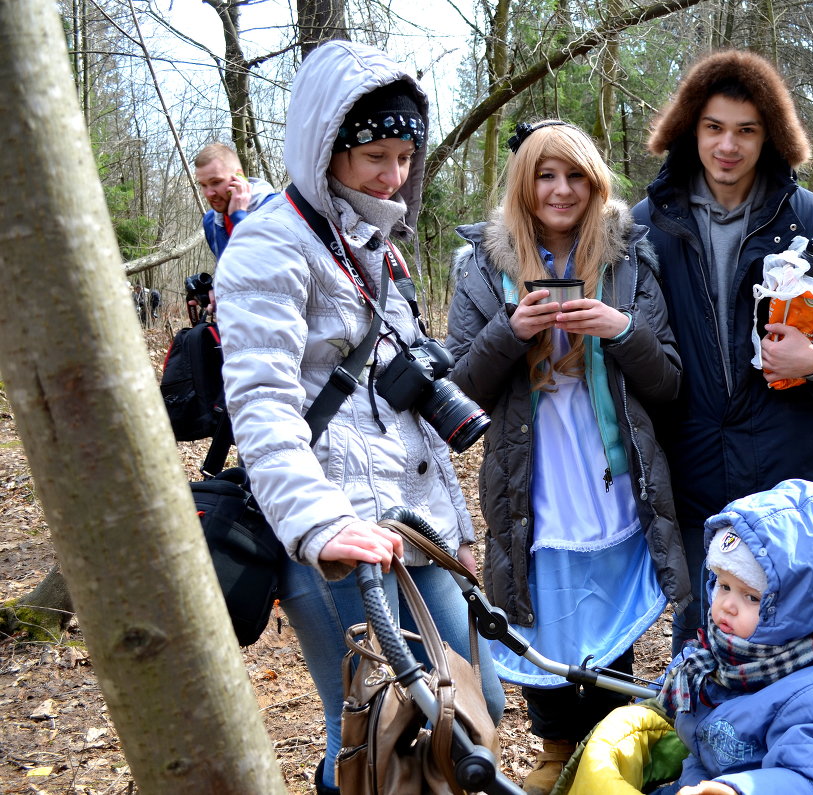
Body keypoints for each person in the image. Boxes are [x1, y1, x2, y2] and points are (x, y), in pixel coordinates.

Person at [213, 41, 504, 795]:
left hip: (408, 526)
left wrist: (454, 535)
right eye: (376, 154)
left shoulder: (374, 244)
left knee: (476, 709)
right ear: (326, 147)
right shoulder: (271, 245)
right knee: (386, 737)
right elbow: (263, 405)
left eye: (406, 155)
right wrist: (316, 523)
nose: (395, 176)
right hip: (339, 533)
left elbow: (401, 405)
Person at [445, 120, 691, 795]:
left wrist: (623, 330)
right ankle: (556, 745)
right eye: (545, 176)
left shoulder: (628, 260)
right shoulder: (479, 268)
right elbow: (456, 391)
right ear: (524, 185)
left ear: (595, 183)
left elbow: (669, 380)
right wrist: (510, 330)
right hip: (531, 480)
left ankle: (608, 749)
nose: (560, 190)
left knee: (608, 611)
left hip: (614, 477)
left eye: (575, 176)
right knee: (544, 611)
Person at [630, 50, 813, 656]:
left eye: (746, 130)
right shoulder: (647, 226)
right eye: (715, 128)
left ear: (769, 136)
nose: (729, 145)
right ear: (690, 129)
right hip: (691, 461)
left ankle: (793, 744)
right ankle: (704, 742)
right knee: (705, 627)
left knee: (794, 622)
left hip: (787, 464)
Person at [653, 479, 813, 794]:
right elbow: (687, 678)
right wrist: (649, 707)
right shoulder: (733, 651)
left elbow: (806, 779)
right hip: (697, 776)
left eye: (751, 597)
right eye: (723, 585)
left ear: (797, 609)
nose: (726, 605)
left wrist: (736, 790)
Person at [193, 142, 277, 261]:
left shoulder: (275, 208)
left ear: (239, 176)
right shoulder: (210, 221)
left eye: (216, 182)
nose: (209, 193)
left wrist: (238, 216)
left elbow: (268, 265)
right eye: (203, 185)